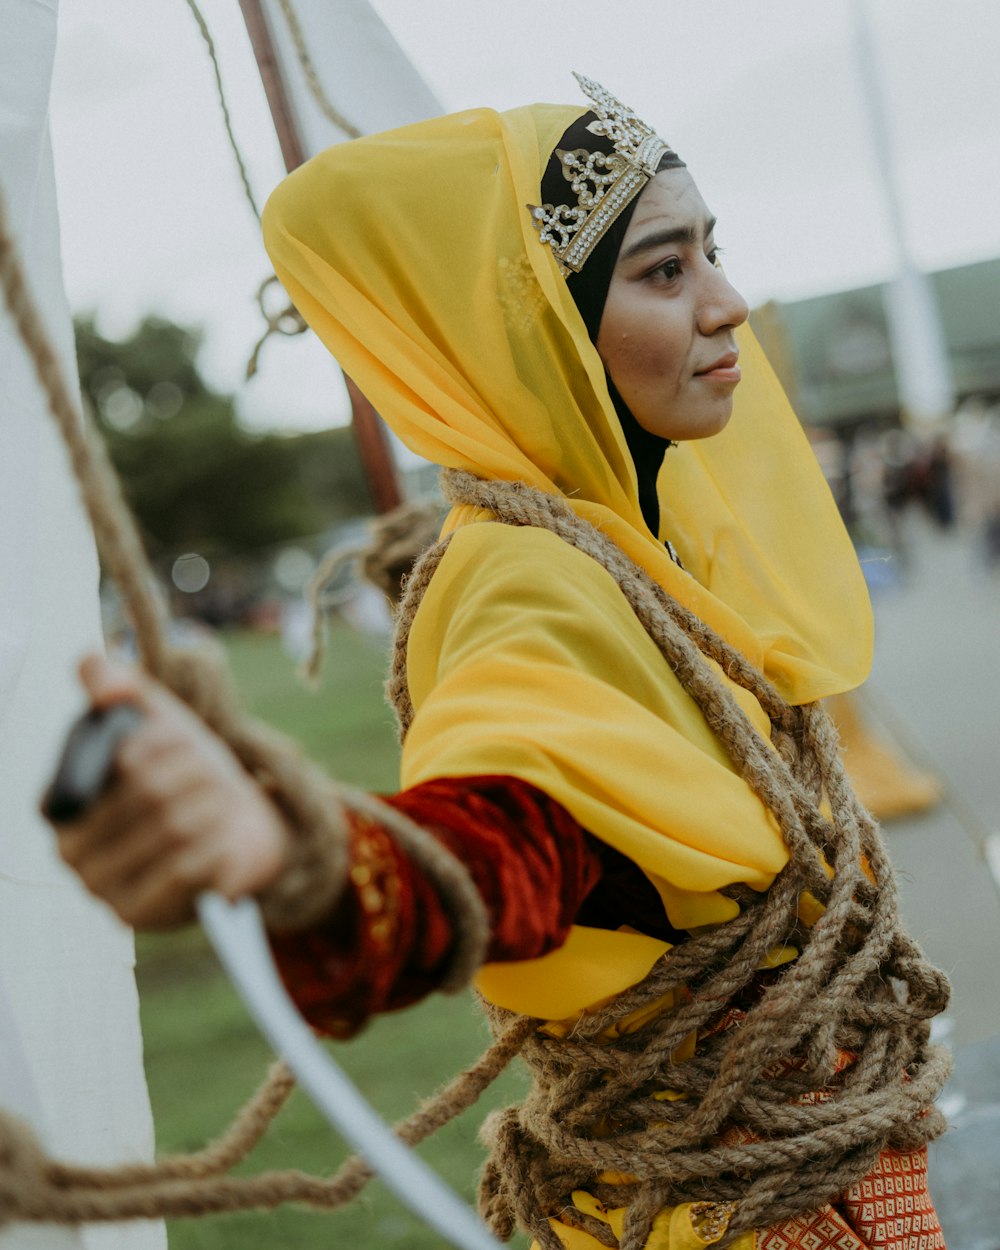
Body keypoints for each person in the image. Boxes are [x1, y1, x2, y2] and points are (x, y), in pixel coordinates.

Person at [51, 76, 948, 1250]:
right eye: (663, 271)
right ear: (551, 325)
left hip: (822, 1173)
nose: (727, 303)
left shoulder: (645, 535)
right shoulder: (526, 574)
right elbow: (511, 834)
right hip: (733, 1214)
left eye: (710, 253)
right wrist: (304, 857)